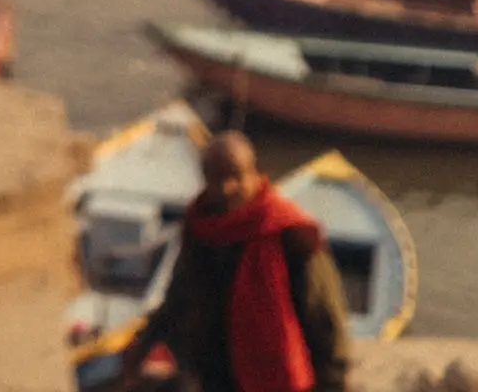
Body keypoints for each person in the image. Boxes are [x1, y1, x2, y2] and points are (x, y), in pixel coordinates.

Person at [115, 132, 349, 392]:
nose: (226, 189)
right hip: (216, 372)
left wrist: (333, 385)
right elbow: (179, 296)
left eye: (234, 177)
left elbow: (325, 321)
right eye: (216, 180)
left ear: (255, 174)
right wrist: (143, 344)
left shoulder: (292, 234)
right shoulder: (201, 229)